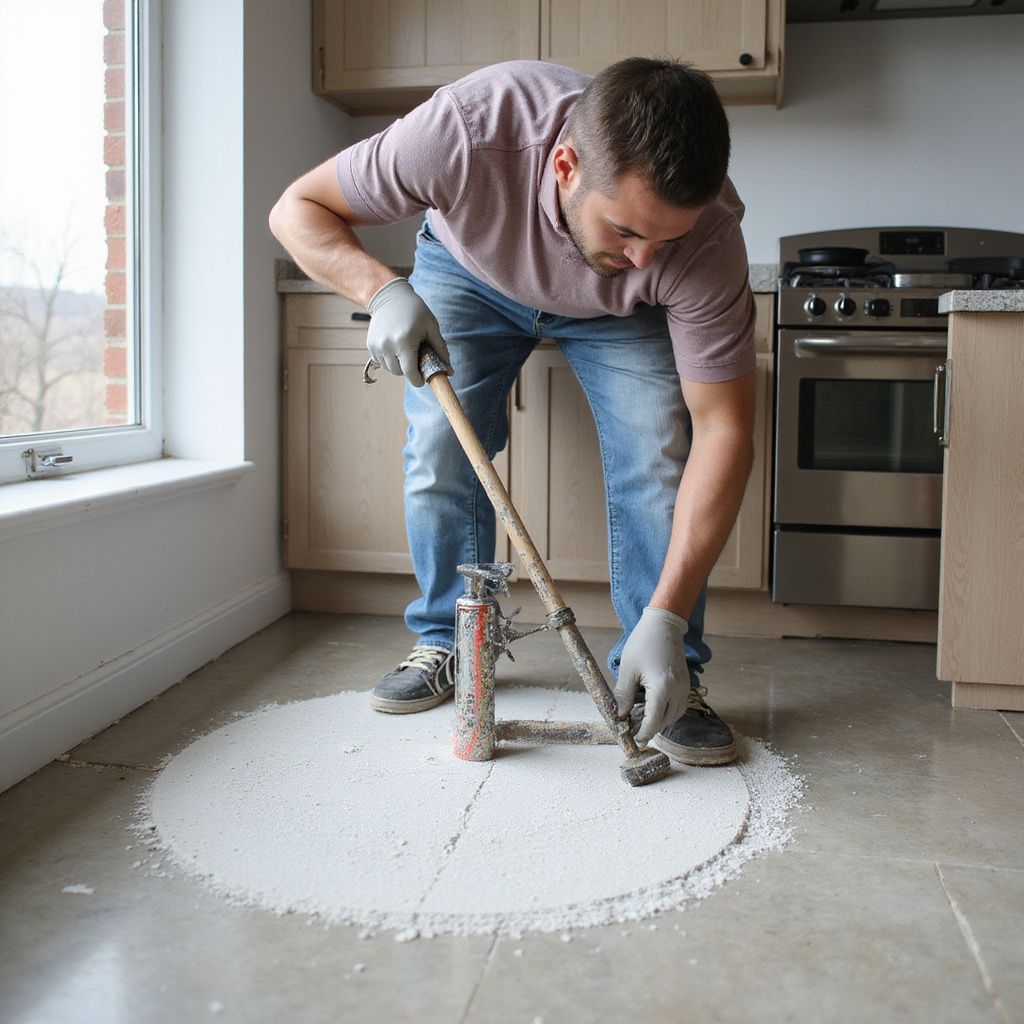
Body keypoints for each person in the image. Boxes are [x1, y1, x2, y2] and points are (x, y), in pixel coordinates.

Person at [269, 57, 756, 767]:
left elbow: (725, 429)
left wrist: (669, 613)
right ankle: (448, 642)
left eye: (666, 240)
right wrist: (380, 290)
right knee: (440, 446)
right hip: (471, 271)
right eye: (624, 228)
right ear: (564, 166)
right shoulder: (465, 132)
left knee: (658, 453)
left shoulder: (703, 241)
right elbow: (297, 209)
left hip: (619, 314)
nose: (646, 254)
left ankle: (666, 665)